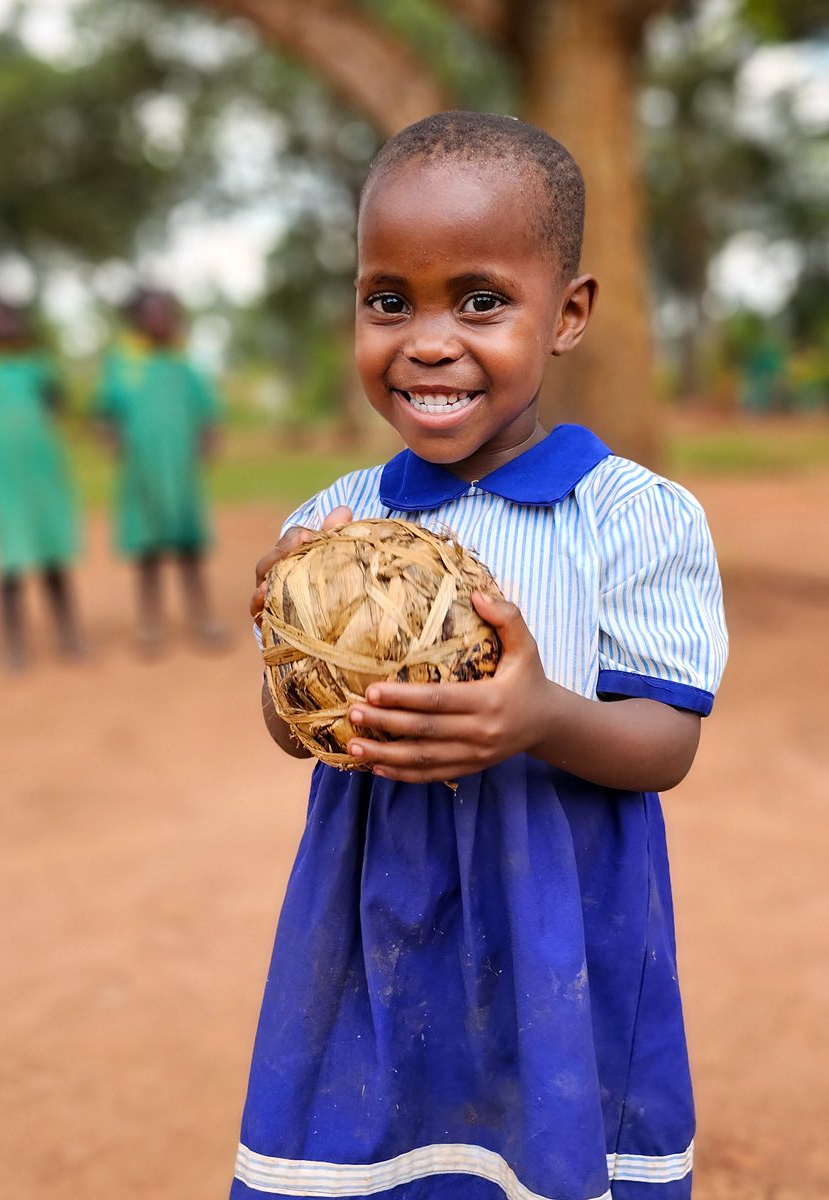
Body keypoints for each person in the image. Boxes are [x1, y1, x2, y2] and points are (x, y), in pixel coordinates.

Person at [232, 112, 728, 1200]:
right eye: (387, 300)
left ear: (569, 314)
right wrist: (287, 648)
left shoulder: (632, 517)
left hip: (558, 914)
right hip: (376, 918)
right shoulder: (335, 519)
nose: (427, 339)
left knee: (544, 1152)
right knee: (378, 1152)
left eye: (481, 300)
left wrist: (541, 715)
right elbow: (299, 737)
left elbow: (666, 745)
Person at [93, 287, 225, 653]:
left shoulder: (184, 361)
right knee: (148, 551)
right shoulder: (122, 362)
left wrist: (208, 441)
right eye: (151, 314)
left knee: (189, 549)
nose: (159, 320)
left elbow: (206, 410)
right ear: (137, 319)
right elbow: (106, 410)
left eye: (165, 313)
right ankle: (149, 627)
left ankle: (203, 621)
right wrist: (112, 440)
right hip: (142, 474)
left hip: (180, 472)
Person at [0, 291, 83, 669]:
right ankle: (14, 645)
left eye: (8, 315)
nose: (3, 323)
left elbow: (55, 398)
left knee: (53, 558)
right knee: (10, 562)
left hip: (42, 474)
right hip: (2, 477)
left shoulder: (33, 363)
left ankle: (69, 635)